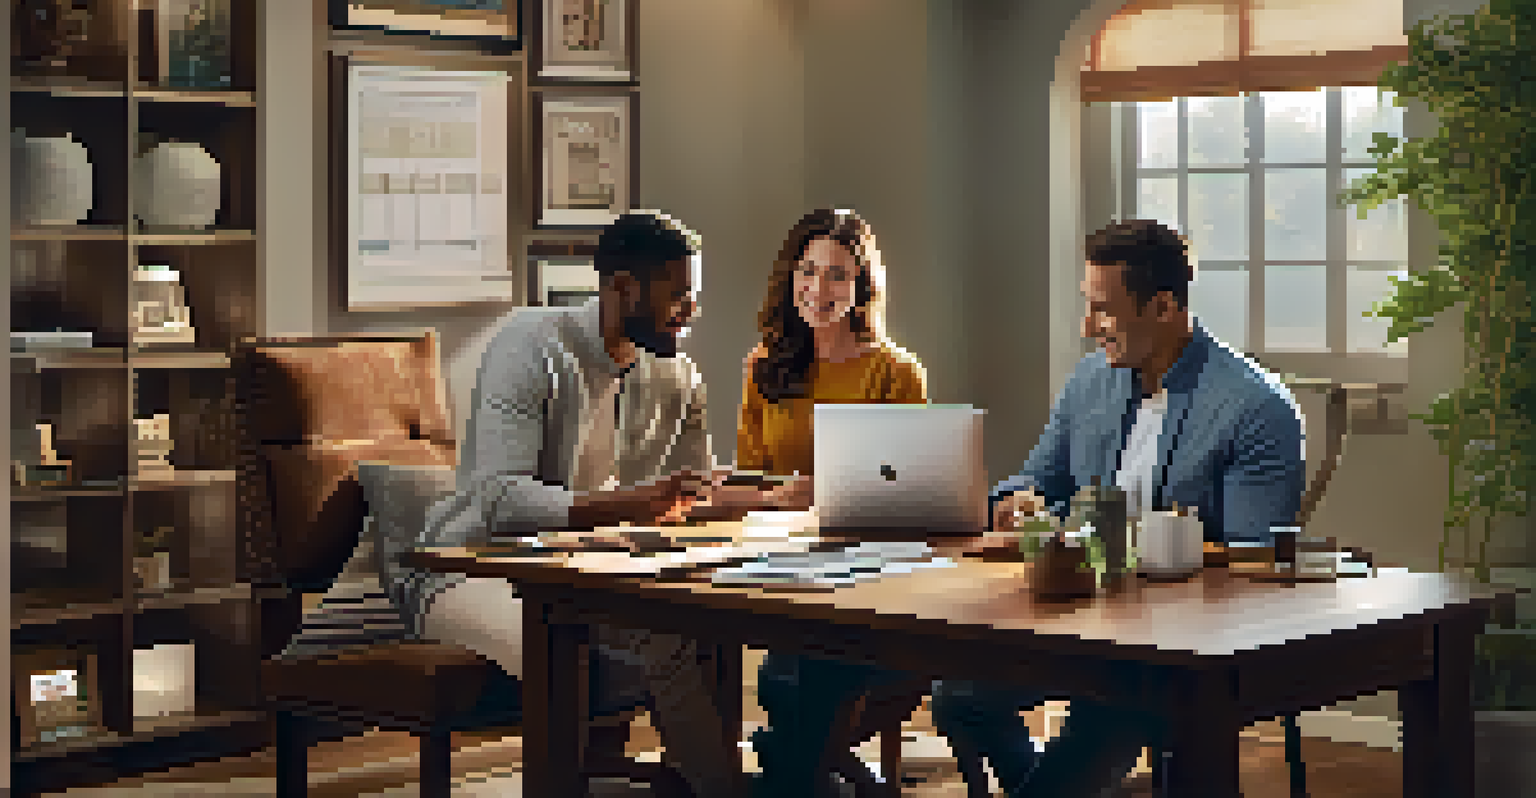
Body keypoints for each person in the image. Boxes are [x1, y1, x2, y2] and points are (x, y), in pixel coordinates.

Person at [389, 211, 799, 798]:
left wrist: (781, 499)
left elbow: (688, 494)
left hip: (584, 573)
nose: (691, 312)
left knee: (693, 628)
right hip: (466, 572)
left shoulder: (678, 375)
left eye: (694, 296)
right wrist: (631, 505)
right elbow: (500, 500)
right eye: (678, 297)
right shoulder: (529, 347)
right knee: (591, 642)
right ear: (622, 288)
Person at [929, 219, 1306, 797]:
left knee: (1107, 713)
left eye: (1103, 310)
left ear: (1162, 308)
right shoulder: (1092, 380)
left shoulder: (1256, 410)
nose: (1087, 328)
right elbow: (1040, 477)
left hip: (1170, 651)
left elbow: (1251, 566)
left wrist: (1125, 548)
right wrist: (1012, 505)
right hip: (1075, 623)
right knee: (960, 697)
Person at [740, 208, 936, 797]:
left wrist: (821, 491)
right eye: (808, 271)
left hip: (875, 574)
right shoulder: (763, 369)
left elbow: (917, 490)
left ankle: (796, 775)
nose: (818, 289)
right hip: (788, 566)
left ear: (861, 287)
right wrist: (779, 496)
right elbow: (751, 480)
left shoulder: (897, 374)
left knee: (801, 690)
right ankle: (834, 777)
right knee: (788, 682)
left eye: (837, 275)